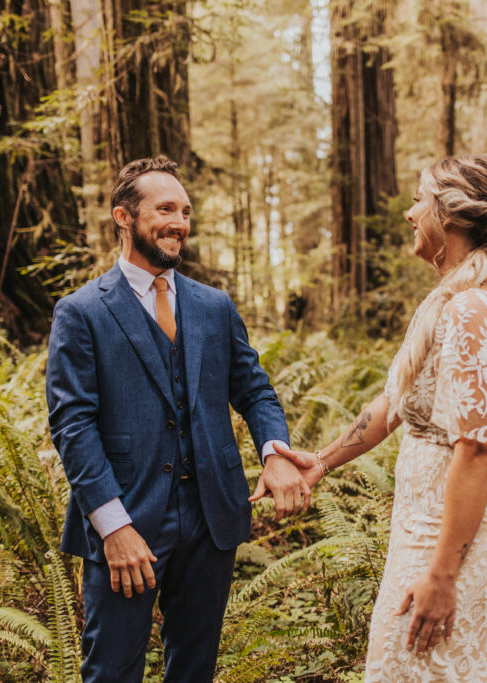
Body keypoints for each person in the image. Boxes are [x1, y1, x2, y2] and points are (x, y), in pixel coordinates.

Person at [46, 156, 311, 682]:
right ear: (124, 217)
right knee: (111, 673)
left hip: (212, 518)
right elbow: (72, 424)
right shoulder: (81, 312)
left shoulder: (213, 306)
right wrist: (112, 527)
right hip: (127, 521)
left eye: (186, 211)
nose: (179, 222)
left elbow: (254, 389)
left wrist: (275, 453)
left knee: (194, 672)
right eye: (165, 208)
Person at [279, 154, 487, 681]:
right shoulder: (454, 299)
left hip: (454, 534)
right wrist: (320, 463)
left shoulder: (476, 310)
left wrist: (443, 575)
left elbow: (478, 449)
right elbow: (396, 403)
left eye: (420, 199)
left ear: (452, 216)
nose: (410, 213)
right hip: (427, 525)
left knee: (426, 665)